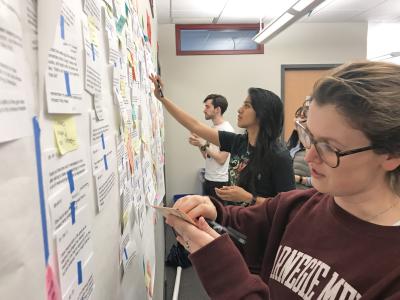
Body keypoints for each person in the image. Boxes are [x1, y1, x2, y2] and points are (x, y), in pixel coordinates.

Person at [165, 61, 400, 299]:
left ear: (391, 154)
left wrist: (222, 269)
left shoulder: (390, 272)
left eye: (329, 147)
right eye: (309, 137)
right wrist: (214, 210)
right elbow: (249, 219)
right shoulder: (298, 206)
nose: (309, 156)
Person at [149, 75, 295, 205]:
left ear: (263, 114)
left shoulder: (279, 156)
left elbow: (288, 206)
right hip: (237, 224)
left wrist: (250, 198)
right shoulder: (238, 142)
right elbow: (194, 125)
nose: (239, 109)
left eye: (247, 105)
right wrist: (162, 98)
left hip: (262, 231)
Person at [188, 94, 235, 199]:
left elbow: (221, 159)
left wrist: (203, 143)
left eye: (207, 106)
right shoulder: (213, 128)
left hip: (220, 182)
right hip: (209, 178)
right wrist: (198, 143)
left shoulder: (227, 130)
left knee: (219, 214)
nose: (204, 110)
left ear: (217, 109)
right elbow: (207, 156)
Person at [287, 99, 312, 189]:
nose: (297, 120)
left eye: (302, 118)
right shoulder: (289, 145)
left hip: (305, 196)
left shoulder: (313, 147)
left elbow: (324, 180)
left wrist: (299, 179)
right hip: (288, 194)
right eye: (297, 116)